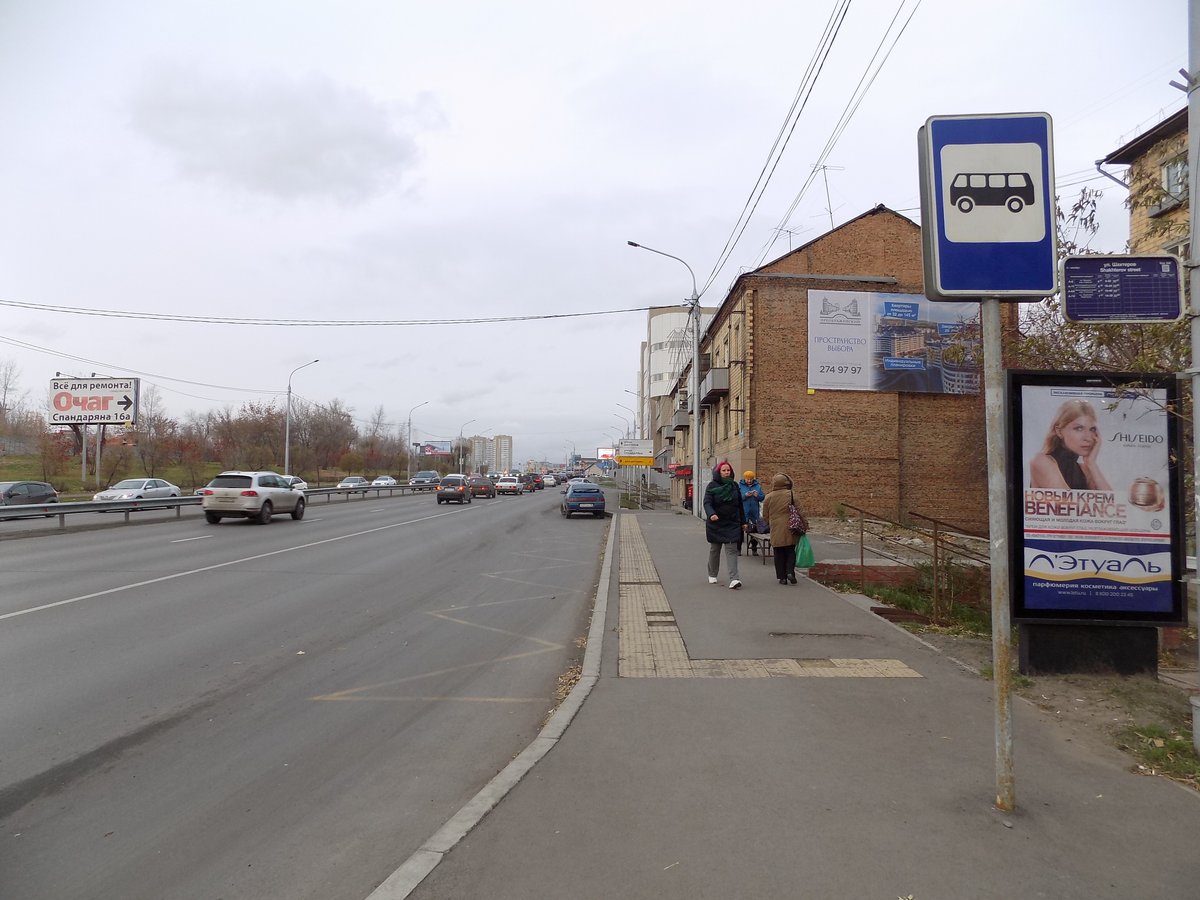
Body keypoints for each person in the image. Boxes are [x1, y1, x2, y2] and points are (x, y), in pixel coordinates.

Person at [1029, 399, 1113, 491]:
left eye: (1092, 429)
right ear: (1059, 431)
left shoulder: (1085, 470)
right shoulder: (1041, 461)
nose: (1088, 438)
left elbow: (1112, 499)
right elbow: (1068, 499)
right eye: (1079, 428)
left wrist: (1091, 463)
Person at [703, 460, 747, 589]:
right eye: (724, 470)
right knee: (715, 550)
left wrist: (743, 522)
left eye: (728, 470)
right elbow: (707, 502)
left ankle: (734, 579)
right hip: (716, 523)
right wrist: (711, 514)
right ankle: (712, 574)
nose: (726, 472)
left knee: (732, 550)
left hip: (732, 523)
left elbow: (740, 505)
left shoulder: (734, 486)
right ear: (719, 472)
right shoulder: (712, 486)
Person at [760, 473, 801, 585]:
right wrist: (805, 524)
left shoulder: (769, 497)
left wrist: (770, 523)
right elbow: (799, 510)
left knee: (778, 553)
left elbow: (765, 515)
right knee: (790, 551)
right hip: (790, 527)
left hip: (775, 528)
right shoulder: (791, 494)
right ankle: (790, 572)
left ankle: (782, 577)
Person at [737, 470, 764, 555]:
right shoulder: (740, 486)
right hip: (743, 511)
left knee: (754, 530)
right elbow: (737, 498)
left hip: (754, 512)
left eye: (751, 479)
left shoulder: (757, 486)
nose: (749, 481)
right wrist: (745, 495)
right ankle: (738, 549)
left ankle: (754, 549)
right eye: (747, 479)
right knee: (740, 530)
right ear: (744, 478)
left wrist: (757, 496)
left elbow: (762, 497)